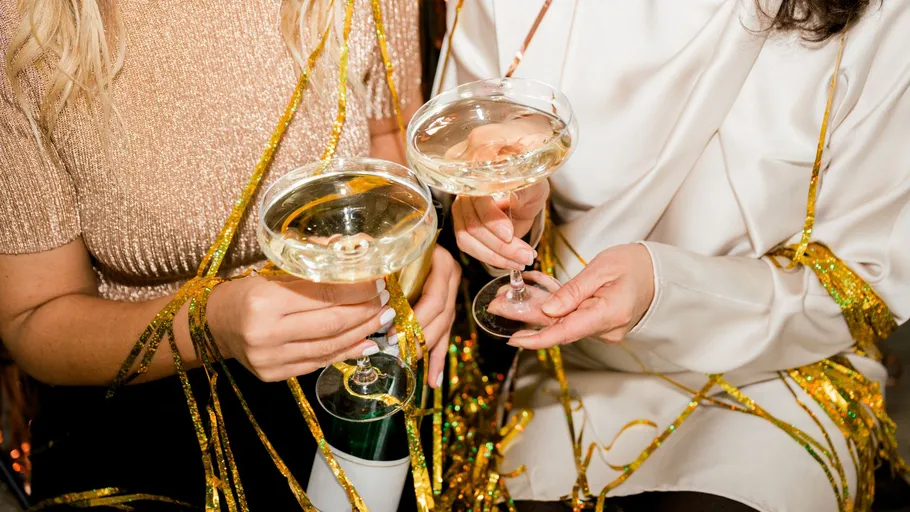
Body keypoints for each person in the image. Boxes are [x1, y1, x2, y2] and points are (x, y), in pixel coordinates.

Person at [443, 0, 909, 511]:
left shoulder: (886, 20)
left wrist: (666, 290)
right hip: (567, 365)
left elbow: (862, 286)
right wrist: (509, 223)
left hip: (781, 371)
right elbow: (458, 158)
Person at [0, 0, 459, 508]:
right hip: (144, 414)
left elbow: (387, 139)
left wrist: (416, 253)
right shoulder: (22, 21)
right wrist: (208, 323)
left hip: (355, 370)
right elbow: (33, 317)